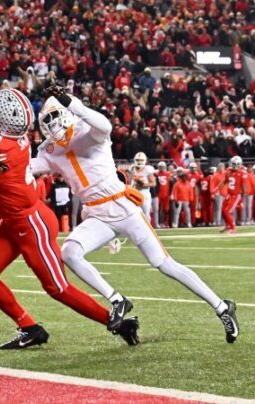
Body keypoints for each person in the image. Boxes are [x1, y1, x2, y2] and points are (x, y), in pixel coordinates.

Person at [0, 87, 139, 349]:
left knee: (57, 288)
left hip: (32, 224)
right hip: (13, 222)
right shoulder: (13, 141)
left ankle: (120, 323)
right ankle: (30, 328)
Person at [32, 87, 239, 343]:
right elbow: (26, 169)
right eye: (47, 124)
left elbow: (105, 126)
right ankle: (117, 299)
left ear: (67, 113)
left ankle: (221, 307)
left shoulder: (87, 130)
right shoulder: (50, 150)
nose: (53, 129)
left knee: (164, 264)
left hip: (122, 206)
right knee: (70, 253)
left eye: (55, 119)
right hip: (96, 214)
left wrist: (73, 102)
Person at [220, 156, 246, 234]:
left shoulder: (242, 173)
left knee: (227, 211)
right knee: (223, 210)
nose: (234, 166)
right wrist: (220, 185)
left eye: (236, 164)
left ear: (240, 164)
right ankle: (228, 225)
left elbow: (244, 187)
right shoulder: (228, 170)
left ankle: (233, 228)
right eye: (233, 164)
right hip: (229, 194)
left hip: (236, 195)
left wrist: (241, 199)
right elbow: (226, 180)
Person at [129, 152, 156, 222]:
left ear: (145, 160)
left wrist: (143, 184)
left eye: (141, 160)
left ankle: (147, 231)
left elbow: (153, 183)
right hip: (134, 193)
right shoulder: (132, 168)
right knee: (134, 214)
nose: (139, 162)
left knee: (145, 214)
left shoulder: (148, 169)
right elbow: (130, 181)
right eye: (138, 160)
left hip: (144, 193)